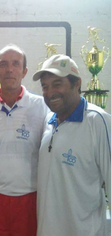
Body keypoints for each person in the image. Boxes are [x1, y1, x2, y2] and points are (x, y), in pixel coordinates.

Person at [0, 44, 49, 236]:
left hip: (29, 201)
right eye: (3, 64)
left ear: (24, 71)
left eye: (15, 64)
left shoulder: (42, 107)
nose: (9, 69)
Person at [33, 54, 111, 235]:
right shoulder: (49, 121)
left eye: (57, 84)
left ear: (77, 84)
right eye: (45, 86)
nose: (50, 92)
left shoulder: (98, 121)